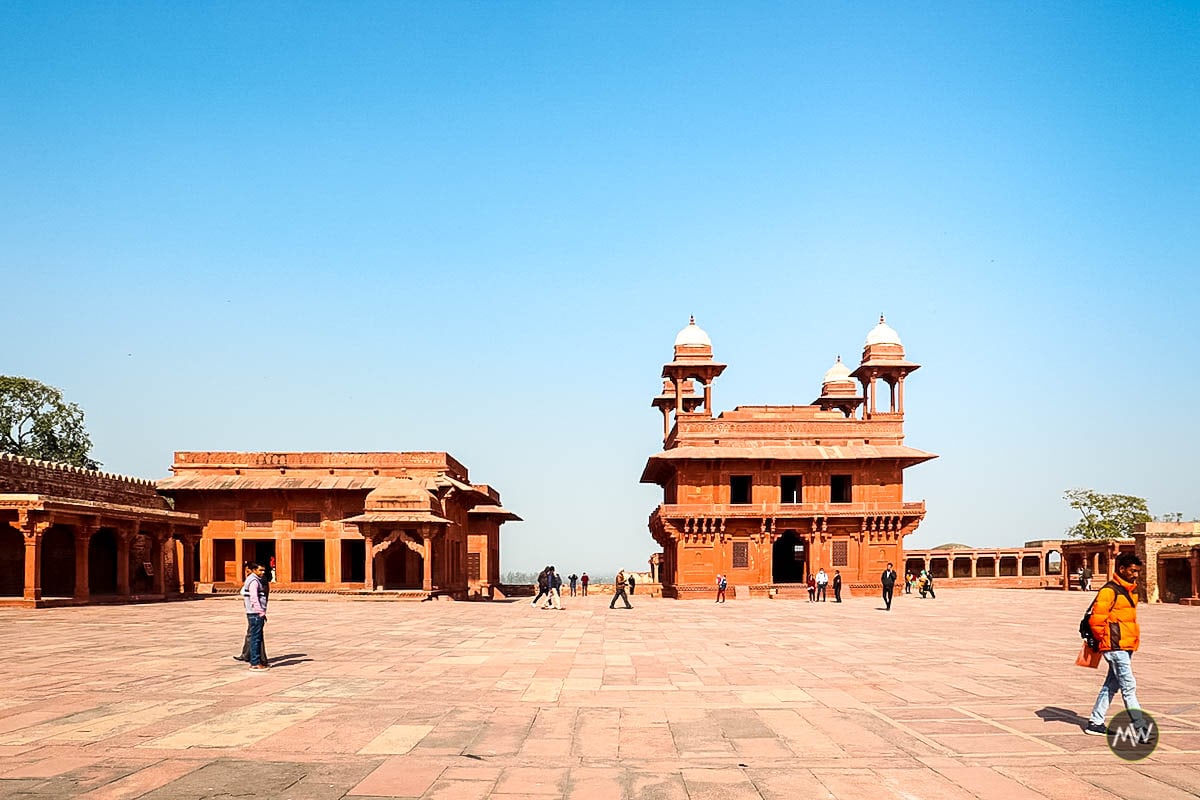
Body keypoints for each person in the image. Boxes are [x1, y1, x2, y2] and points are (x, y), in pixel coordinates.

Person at [1085, 552, 1146, 736]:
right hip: (1115, 646)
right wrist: (1106, 640)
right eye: (1132, 571)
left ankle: (1095, 722)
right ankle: (1140, 728)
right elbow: (1096, 621)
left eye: (1137, 572)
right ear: (1121, 569)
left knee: (1111, 685)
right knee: (1129, 686)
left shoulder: (1130, 591)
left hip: (1125, 645)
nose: (1135, 575)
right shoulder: (1109, 591)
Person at [234, 561, 269, 666]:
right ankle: (255, 662)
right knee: (255, 638)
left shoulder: (258, 580)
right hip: (255, 613)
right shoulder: (254, 581)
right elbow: (254, 598)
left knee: (255, 636)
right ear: (254, 570)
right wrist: (260, 612)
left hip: (254, 612)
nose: (263, 572)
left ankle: (255, 658)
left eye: (263, 570)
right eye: (260, 570)